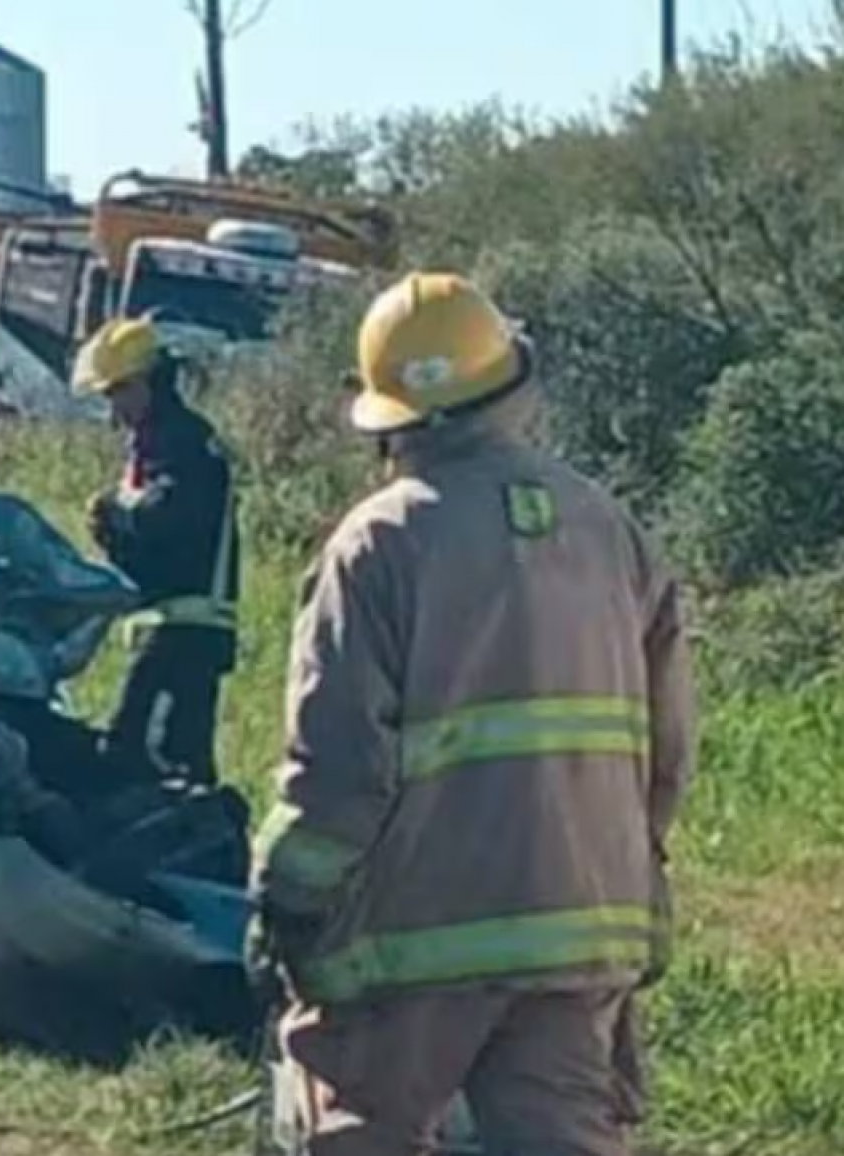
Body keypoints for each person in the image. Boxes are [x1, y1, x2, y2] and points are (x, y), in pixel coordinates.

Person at [249, 272, 695, 1156]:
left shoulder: (378, 543)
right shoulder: (608, 528)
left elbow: (338, 767)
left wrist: (286, 898)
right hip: (583, 926)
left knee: (359, 1134)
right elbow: (667, 751)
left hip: (410, 941)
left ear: (395, 419)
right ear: (512, 385)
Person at [74, 316, 239, 785]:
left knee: (147, 764)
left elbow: (168, 524)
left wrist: (112, 513)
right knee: (156, 758)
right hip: (167, 629)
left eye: (116, 394)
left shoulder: (185, 444)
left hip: (186, 631)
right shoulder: (159, 443)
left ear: (144, 382)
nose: (113, 411)